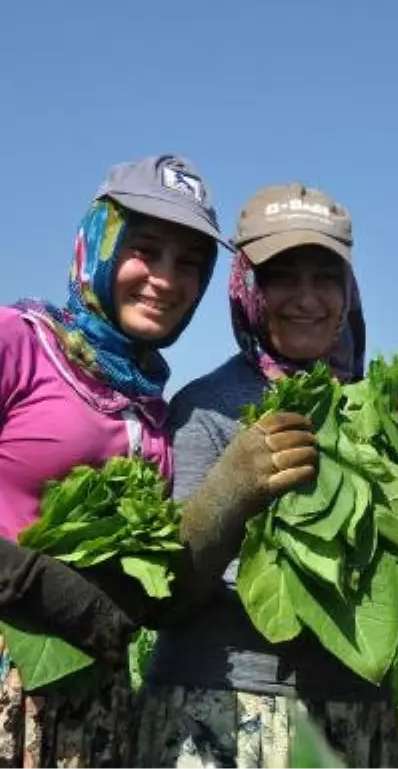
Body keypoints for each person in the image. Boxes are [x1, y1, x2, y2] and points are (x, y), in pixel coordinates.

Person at [133, 183, 398, 768]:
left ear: (348, 290)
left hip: (355, 711)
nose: (307, 298)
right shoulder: (205, 409)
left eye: (325, 276)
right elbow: (170, 599)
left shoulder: (376, 406)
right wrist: (231, 492)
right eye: (283, 276)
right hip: (223, 708)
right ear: (248, 287)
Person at [0, 154, 225, 766]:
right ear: (99, 243)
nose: (164, 278)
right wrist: (37, 584)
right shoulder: (19, 341)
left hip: (91, 705)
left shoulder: (151, 402)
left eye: (188, 264)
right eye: (145, 249)